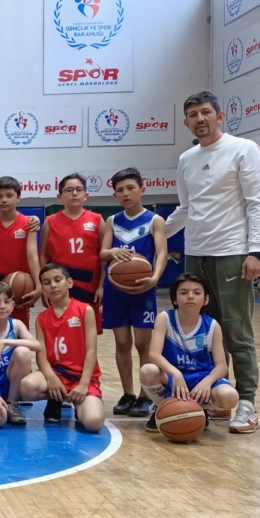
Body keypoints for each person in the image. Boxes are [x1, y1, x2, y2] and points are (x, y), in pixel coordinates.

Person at [165, 90, 260, 435]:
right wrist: (150, 236)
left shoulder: (244, 149)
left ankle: (247, 402)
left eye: (206, 112)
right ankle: (215, 398)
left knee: (237, 331)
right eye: (193, 115)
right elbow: (185, 209)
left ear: (220, 116)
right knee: (204, 332)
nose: (200, 119)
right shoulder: (186, 159)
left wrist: (256, 251)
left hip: (233, 253)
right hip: (196, 254)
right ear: (186, 123)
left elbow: (257, 202)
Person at [100, 167, 168, 420]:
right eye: (120, 190)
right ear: (115, 195)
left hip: (142, 288)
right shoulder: (112, 220)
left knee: (143, 343)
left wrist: (154, 279)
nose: (125, 193)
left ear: (142, 189)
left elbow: (162, 252)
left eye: (130, 188)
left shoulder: (154, 220)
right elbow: (102, 253)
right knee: (122, 342)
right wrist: (111, 253)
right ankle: (128, 393)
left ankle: (145, 394)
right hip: (115, 289)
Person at [139, 273, 241, 432]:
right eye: (184, 292)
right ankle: (162, 408)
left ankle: (199, 410)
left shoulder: (212, 326)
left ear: (206, 299)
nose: (190, 296)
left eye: (197, 292)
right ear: (175, 299)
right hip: (172, 376)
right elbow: (153, 354)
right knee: (148, 371)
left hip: (201, 377)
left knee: (230, 397)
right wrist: (175, 373)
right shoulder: (164, 318)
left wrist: (207, 382)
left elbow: (221, 366)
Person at [24, 264, 105, 432]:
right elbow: (41, 354)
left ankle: (79, 402)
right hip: (58, 373)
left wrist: (83, 384)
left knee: (94, 422)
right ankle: (56, 398)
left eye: (57, 280)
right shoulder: (42, 318)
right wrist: (51, 378)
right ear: (43, 289)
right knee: (27, 386)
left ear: (69, 283)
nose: (53, 285)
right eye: (47, 282)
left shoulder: (85, 310)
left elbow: (91, 351)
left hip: (81, 376)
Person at [40, 173, 107, 334]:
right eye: (69, 190)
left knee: (88, 333)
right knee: (62, 330)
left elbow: (104, 257)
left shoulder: (97, 220)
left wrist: (101, 286)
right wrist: (43, 286)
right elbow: (43, 256)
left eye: (79, 189)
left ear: (86, 195)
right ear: (60, 197)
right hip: (59, 285)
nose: (74, 193)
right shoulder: (50, 222)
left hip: (89, 285)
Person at [0, 282, 45, 427]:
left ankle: (12, 403)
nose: (2, 306)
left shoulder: (16, 325)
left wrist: (5, 342)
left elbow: (38, 346)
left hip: (10, 379)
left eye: (6, 302)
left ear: (12, 305)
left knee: (23, 351)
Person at [0, 176, 42, 327]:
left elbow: (32, 256)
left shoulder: (28, 224)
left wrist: (39, 285)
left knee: (18, 327)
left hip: (19, 283)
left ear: (18, 197)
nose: (4, 200)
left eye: (9, 195)